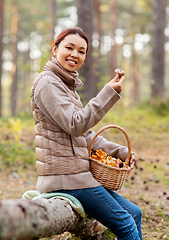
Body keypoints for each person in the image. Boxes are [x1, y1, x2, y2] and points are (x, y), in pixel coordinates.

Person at [30, 27, 142, 240]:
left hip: (79, 177)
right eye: (69, 48)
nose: (75, 54)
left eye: (81, 51)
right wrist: (108, 93)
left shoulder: (66, 86)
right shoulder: (47, 82)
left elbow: (85, 135)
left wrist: (120, 151)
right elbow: (76, 124)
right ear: (55, 50)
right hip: (66, 179)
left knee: (135, 213)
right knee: (126, 224)